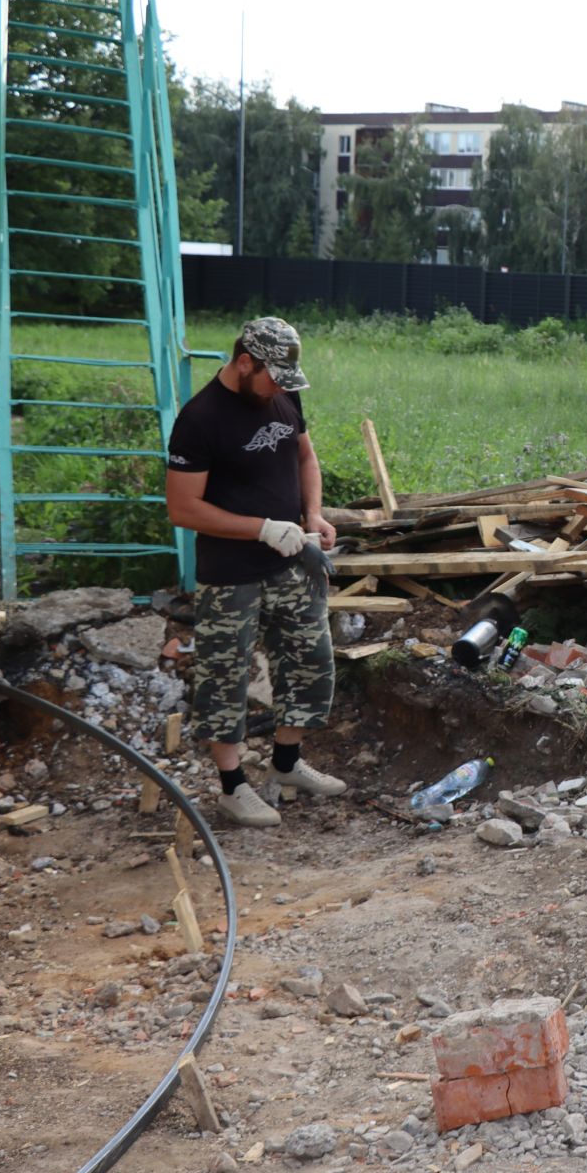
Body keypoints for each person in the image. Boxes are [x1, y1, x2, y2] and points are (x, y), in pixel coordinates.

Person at [165, 317, 347, 827]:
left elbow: (305, 458)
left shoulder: (283, 396)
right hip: (231, 572)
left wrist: (312, 514)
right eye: (273, 377)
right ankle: (232, 787)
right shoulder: (200, 419)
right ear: (244, 363)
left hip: (292, 562)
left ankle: (287, 764)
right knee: (224, 676)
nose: (280, 389)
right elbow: (183, 509)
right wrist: (262, 528)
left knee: (310, 661)